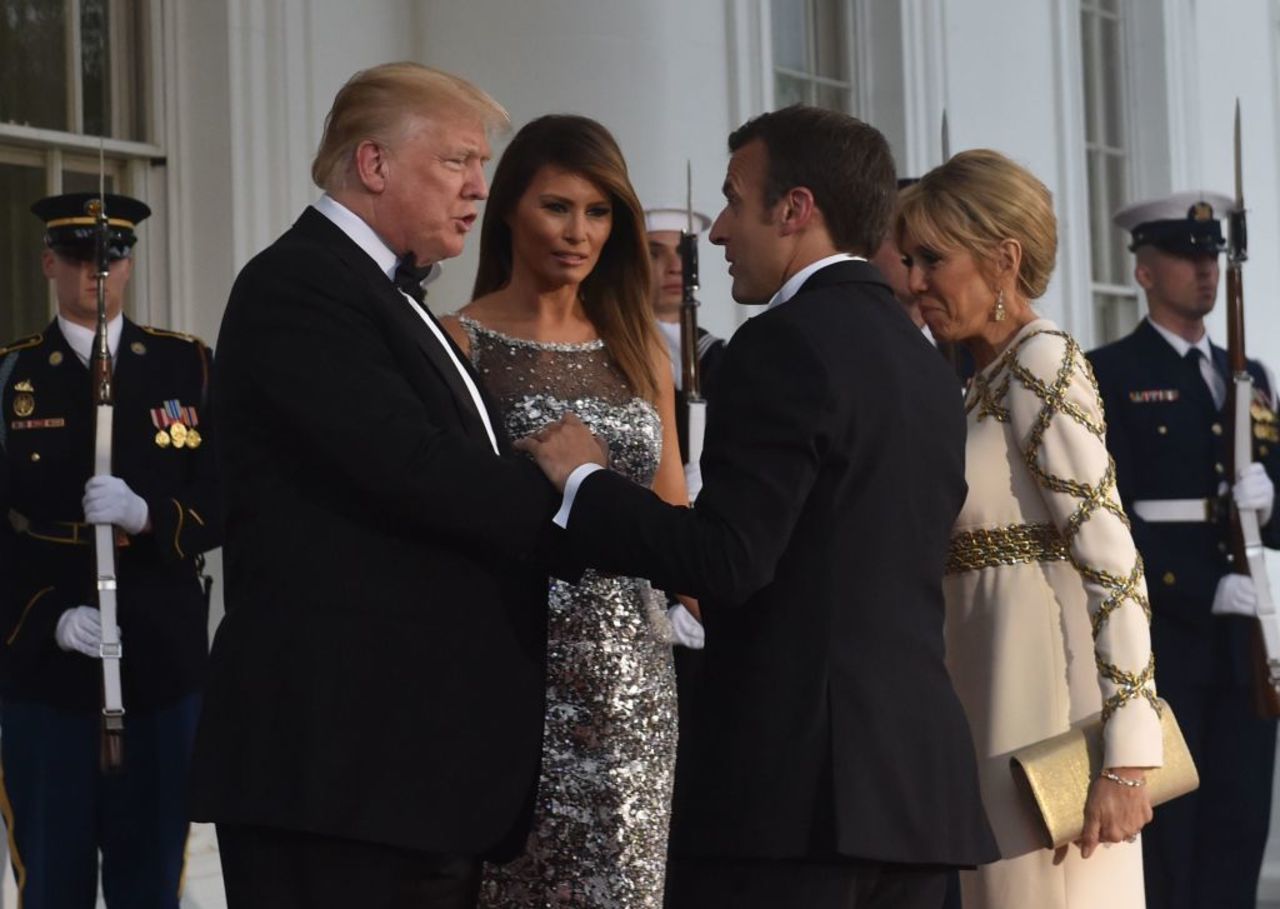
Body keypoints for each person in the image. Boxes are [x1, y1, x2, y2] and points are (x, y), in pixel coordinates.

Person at [519, 104, 997, 909]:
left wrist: (584, 484)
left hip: (798, 799)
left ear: (795, 209)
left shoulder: (783, 344)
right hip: (915, 790)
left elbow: (728, 560)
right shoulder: (925, 362)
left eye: (735, 202)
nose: (718, 233)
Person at [187, 64, 568, 909]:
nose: (480, 188)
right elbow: (414, 471)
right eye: (458, 161)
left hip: (398, 775)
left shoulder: (383, 296)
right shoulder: (299, 286)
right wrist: (563, 482)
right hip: (337, 775)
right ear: (374, 165)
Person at [895, 149, 1163, 909]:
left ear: (1003, 259)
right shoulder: (982, 380)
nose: (915, 282)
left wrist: (1126, 760)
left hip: (1048, 706)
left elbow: (1113, 560)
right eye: (910, 259)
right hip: (986, 696)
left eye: (933, 259)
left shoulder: (1043, 361)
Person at [437, 112, 685, 909]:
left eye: (600, 210)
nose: (579, 232)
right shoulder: (458, 342)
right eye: (557, 206)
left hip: (634, 684)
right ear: (508, 208)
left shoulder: (640, 345)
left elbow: (672, 508)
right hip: (513, 671)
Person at [0, 191, 219, 908]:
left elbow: (232, 499)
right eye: (81, 258)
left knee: (151, 878)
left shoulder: (186, 367)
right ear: (48, 264)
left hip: (158, 660)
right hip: (47, 677)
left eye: (113, 258)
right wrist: (43, 623)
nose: (98, 274)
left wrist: (152, 516)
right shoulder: (10, 378)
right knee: (53, 879)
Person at [1087, 192, 1280, 909]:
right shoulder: (1110, 372)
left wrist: (1269, 496)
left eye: (1212, 258)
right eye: (1188, 257)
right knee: (1171, 846)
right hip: (1169, 640)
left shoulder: (1248, 374)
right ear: (1144, 270)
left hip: (1246, 644)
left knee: (1239, 831)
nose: (1205, 272)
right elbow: (1109, 522)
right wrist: (1199, 589)